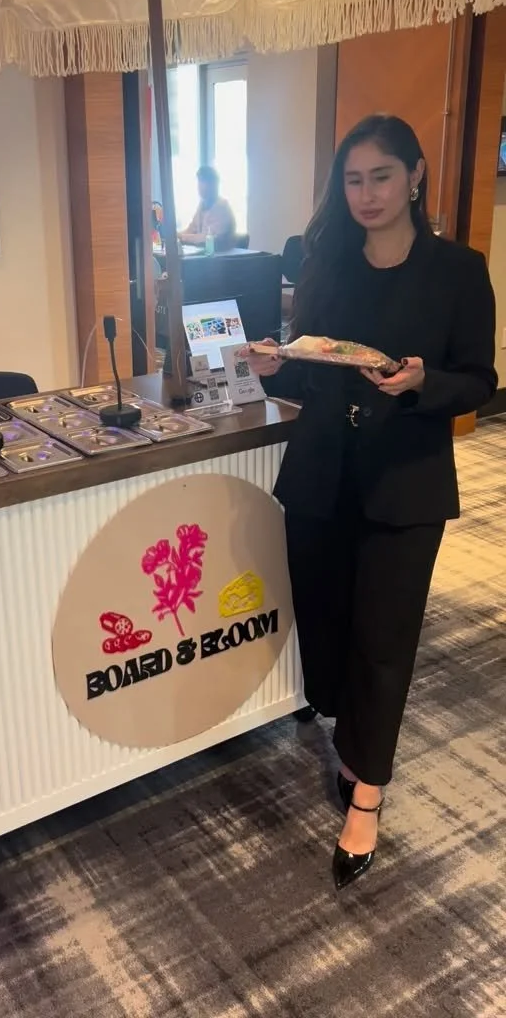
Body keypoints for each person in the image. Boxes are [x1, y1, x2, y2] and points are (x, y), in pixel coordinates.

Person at [245, 114, 496, 891]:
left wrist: (422, 383)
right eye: (353, 180)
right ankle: (343, 725)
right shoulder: (326, 262)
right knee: (324, 619)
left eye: (381, 176)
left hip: (405, 480)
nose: (367, 194)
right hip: (322, 472)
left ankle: (367, 794)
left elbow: (479, 380)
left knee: (384, 639)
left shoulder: (458, 270)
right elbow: (310, 366)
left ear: (414, 176)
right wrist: (274, 364)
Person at [179, 166, 236, 252]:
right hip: (206, 255)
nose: (199, 186)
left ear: (213, 185)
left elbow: (206, 238)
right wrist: (174, 235)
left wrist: (182, 237)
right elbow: (191, 230)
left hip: (221, 257)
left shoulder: (222, 207)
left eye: (203, 181)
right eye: (199, 182)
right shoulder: (202, 205)